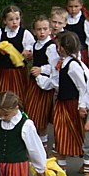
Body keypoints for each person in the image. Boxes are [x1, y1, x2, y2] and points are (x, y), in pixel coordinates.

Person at [49, 32, 89, 175]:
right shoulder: (64, 62)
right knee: (60, 134)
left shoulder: (73, 66)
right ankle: (61, 167)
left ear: (62, 48)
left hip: (71, 105)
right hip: (62, 104)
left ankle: (86, 163)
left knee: (76, 134)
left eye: (58, 45)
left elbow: (83, 87)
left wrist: (81, 106)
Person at [25, 15, 59, 150]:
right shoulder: (36, 44)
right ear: (34, 31)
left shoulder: (51, 47)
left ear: (50, 30)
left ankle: (43, 143)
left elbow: (54, 66)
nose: (42, 32)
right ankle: (36, 141)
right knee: (31, 110)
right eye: (39, 29)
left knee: (41, 113)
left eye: (45, 29)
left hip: (44, 84)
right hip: (34, 82)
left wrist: (41, 69)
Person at [0, 5, 35, 98]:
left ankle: (20, 109)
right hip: (4, 70)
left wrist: (28, 51)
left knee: (20, 92)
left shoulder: (24, 33)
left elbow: (31, 44)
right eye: (11, 19)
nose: (14, 22)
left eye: (17, 19)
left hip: (19, 70)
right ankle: (4, 109)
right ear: (5, 21)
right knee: (4, 91)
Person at [65, 0, 89, 64]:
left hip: (83, 52)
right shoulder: (64, 19)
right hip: (66, 52)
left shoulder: (86, 19)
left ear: (81, 6)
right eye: (70, 6)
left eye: (76, 6)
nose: (73, 9)